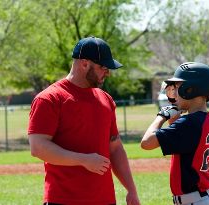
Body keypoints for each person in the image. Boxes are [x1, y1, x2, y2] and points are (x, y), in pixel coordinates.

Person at [28, 36, 140, 205]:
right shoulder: (49, 99)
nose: (108, 72)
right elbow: (38, 148)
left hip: (105, 199)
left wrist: (131, 189)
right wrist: (83, 160)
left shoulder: (106, 99)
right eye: (103, 67)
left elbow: (115, 148)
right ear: (85, 63)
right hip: (63, 200)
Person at [141, 62, 209, 205]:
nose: (174, 93)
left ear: (190, 90)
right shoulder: (206, 119)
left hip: (195, 201)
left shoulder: (189, 123)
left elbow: (146, 143)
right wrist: (174, 116)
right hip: (201, 198)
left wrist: (161, 116)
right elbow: (179, 140)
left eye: (178, 88)